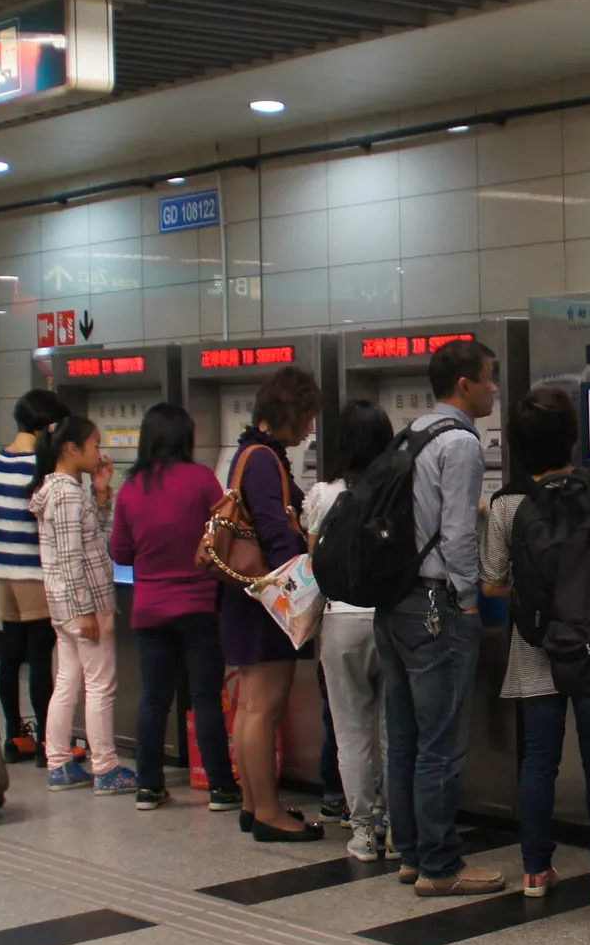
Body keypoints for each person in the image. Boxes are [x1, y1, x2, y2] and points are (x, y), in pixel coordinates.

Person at [481, 386, 590, 899]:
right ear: (571, 438)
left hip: (534, 641)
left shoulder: (506, 503)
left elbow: (492, 579)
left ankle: (536, 871)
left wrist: (530, 585)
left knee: (539, 758)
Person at [375, 336, 499, 896]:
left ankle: (411, 853)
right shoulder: (462, 444)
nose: (495, 387)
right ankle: (441, 866)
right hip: (434, 607)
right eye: (490, 377)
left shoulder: (412, 432)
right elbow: (456, 535)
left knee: (404, 736)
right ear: (465, 384)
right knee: (441, 743)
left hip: (394, 603)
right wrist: (469, 601)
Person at [109, 403, 237, 812]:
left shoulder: (131, 487)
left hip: (150, 609)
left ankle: (149, 787)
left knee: (153, 698)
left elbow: (121, 552)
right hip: (200, 606)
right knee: (204, 697)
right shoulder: (201, 480)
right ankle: (221, 788)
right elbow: (223, 537)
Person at [220, 365, 324, 844]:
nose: (309, 428)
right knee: (264, 706)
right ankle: (267, 810)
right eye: (306, 417)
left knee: (249, 707)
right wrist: (298, 591)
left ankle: (251, 803)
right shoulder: (264, 459)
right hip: (267, 596)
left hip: (247, 594)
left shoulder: (248, 453)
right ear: (289, 410)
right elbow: (276, 529)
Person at [304, 400, 393, 862]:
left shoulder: (323, 495)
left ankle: (361, 833)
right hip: (391, 621)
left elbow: (314, 559)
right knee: (392, 729)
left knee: (351, 731)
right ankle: (397, 828)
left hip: (340, 621)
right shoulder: (397, 491)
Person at [28, 415, 134, 795]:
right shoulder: (69, 494)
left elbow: (92, 540)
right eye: (93, 446)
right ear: (70, 449)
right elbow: (75, 557)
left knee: (68, 681)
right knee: (100, 684)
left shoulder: (58, 491)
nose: (99, 453)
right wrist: (87, 610)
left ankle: (58, 762)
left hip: (61, 604)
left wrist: (102, 493)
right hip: (85, 604)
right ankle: (105, 766)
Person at [0, 389, 68, 763]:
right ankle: (45, 744)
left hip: (4, 572)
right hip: (35, 573)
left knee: (10, 654)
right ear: (48, 426)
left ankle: (14, 735)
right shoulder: (41, 465)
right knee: (40, 658)